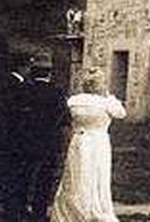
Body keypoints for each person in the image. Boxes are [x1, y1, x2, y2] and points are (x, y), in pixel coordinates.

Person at [51, 69, 126, 222]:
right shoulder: (106, 102)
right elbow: (121, 113)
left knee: (76, 174)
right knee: (97, 175)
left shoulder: (73, 101)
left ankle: (72, 209)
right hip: (98, 142)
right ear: (100, 85)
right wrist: (109, 96)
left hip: (79, 140)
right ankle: (96, 208)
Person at [26, 56, 69, 222]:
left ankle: (21, 208)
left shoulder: (26, 90)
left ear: (32, 71)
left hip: (27, 139)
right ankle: (39, 211)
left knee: (26, 175)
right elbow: (64, 118)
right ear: (49, 73)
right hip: (50, 141)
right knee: (45, 177)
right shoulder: (57, 92)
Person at [0, 53, 35, 221]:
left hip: (8, 137)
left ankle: (10, 207)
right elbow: (14, 112)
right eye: (28, 67)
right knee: (14, 175)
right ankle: (12, 209)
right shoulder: (16, 86)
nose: (30, 70)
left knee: (10, 174)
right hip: (14, 139)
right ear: (22, 67)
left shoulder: (11, 83)